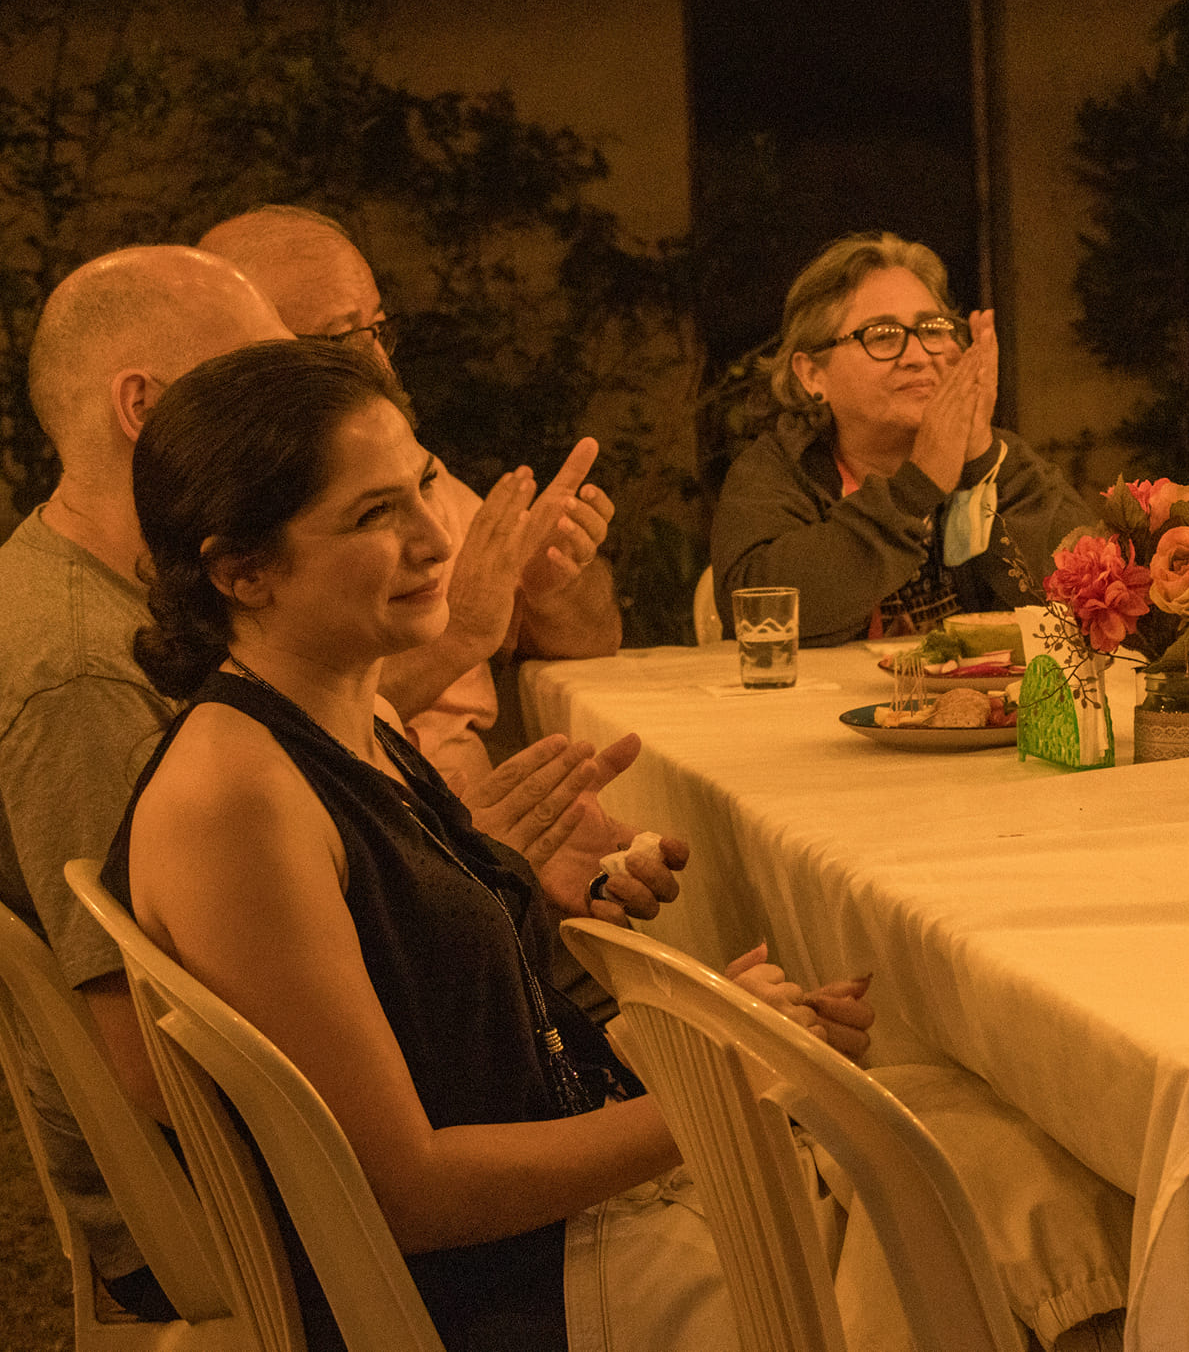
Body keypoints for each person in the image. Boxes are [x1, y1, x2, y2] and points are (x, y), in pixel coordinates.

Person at [103, 339, 874, 1350]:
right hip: (511, 1297)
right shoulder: (236, 799)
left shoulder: (355, 720)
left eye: (423, 485)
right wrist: (728, 1082)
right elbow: (404, 1192)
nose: (438, 540)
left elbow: (448, 1028)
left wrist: (521, 891)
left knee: (961, 1145)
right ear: (241, 570)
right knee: (977, 1209)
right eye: (373, 515)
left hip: (564, 1232)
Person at [0, 246, 297, 1318]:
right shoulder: (82, 667)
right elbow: (153, 1053)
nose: (297, 418)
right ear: (143, 406)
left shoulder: (124, 593)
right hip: (221, 1208)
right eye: (258, 379)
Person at [198, 205, 621, 796]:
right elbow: (281, 725)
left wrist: (553, 579)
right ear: (242, 355)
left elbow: (594, 640)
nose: (380, 363)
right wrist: (463, 633)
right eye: (343, 338)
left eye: (378, 330)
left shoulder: (406, 465)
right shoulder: (223, 510)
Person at [710, 231, 1094, 646]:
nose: (918, 356)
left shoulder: (999, 458)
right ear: (812, 375)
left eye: (932, 330)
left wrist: (982, 460)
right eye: (882, 336)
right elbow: (755, 613)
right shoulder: (777, 470)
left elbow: (1094, 599)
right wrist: (915, 490)